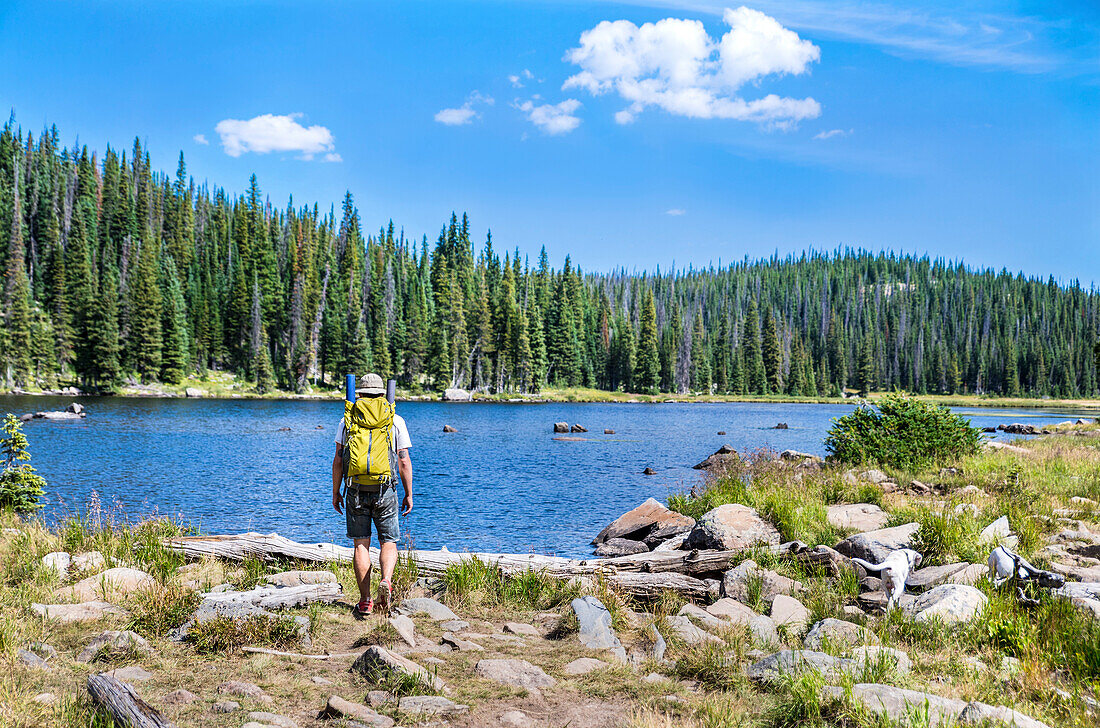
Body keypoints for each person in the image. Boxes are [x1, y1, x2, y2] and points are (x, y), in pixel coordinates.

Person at [331, 372, 413, 615]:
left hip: (355, 489)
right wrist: (409, 494)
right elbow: (404, 461)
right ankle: (386, 580)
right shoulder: (394, 419)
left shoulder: (348, 419)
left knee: (361, 545)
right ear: (381, 393)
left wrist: (336, 492)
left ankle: (365, 600)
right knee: (388, 542)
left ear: (360, 394)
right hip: (385, 489)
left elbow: (338, 460)